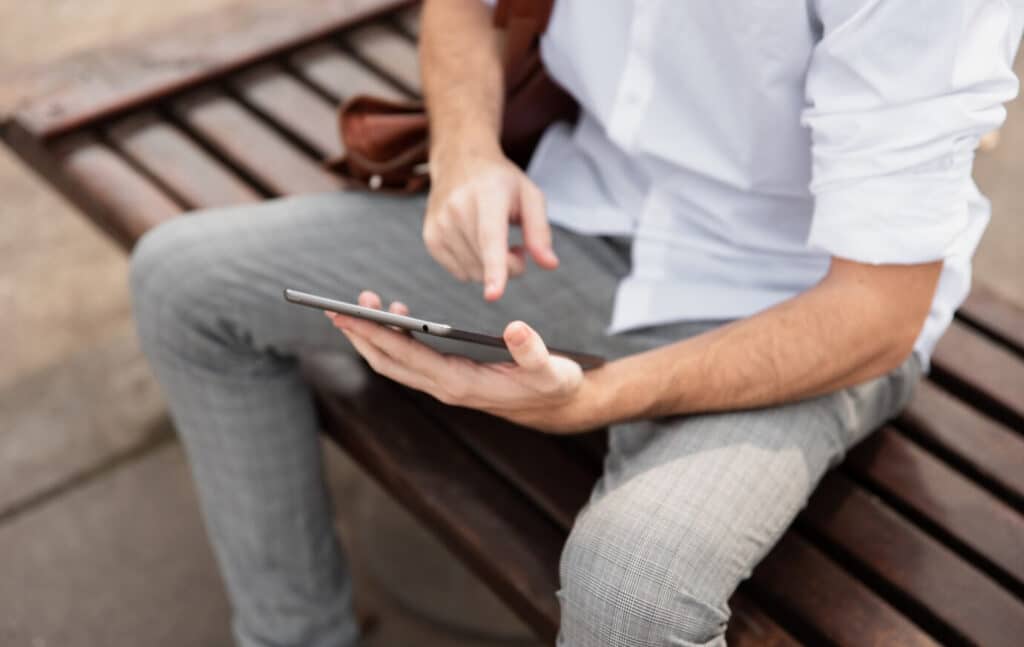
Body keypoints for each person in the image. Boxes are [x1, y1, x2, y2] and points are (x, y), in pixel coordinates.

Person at [129, 1, 1024, 645]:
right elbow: (465, 9)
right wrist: (467, 151)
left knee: (631, 591)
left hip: (797, 309)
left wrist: (598, 394)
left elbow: (876, 313)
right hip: (577, 219)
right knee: (182, 283)